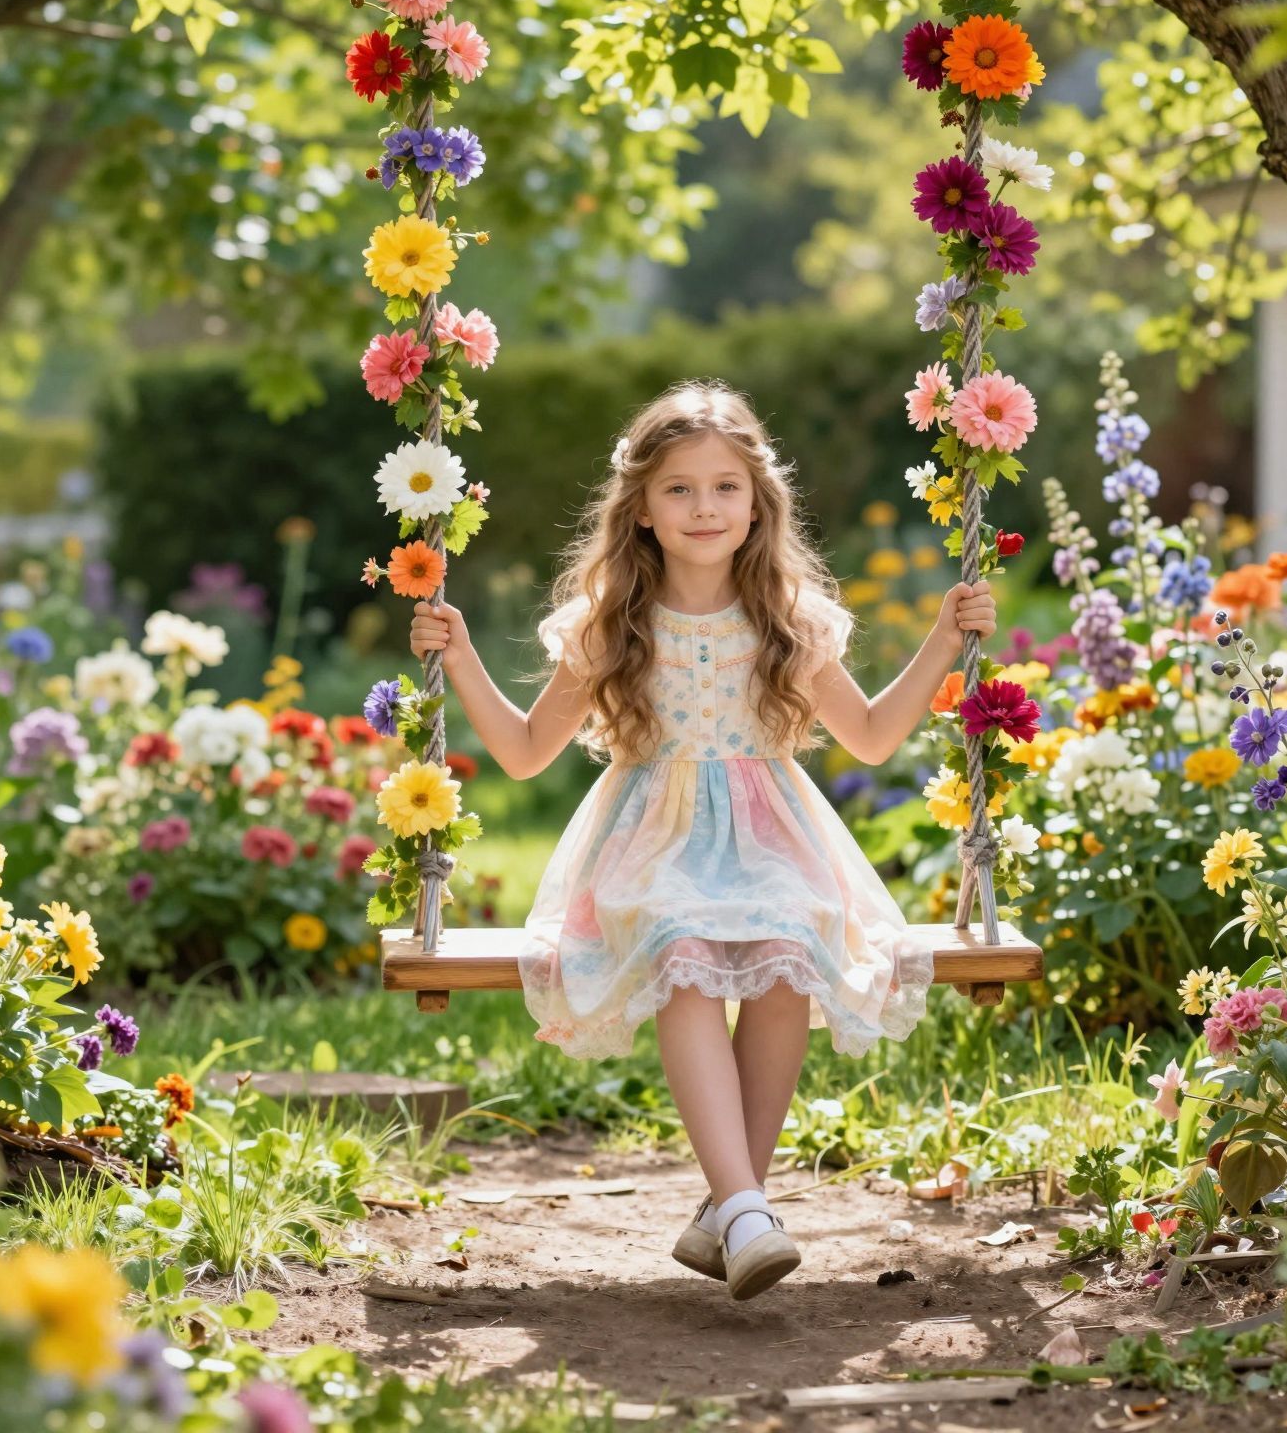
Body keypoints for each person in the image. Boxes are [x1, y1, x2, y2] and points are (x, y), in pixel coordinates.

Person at [407, 379, 996, 1300]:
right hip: (651, 845)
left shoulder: (789, 619)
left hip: (774, 840)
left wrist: (943, 639)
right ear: (641, 508)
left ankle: (735, 1208)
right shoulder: (610, 624)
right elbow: (522, 753)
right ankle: (748, 1210)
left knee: (788, 950)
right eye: (679, 488)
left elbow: (875, 737)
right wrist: (460, 654)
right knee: (679, 947)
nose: (705, 507)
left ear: (757, 501)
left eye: (725, 486)